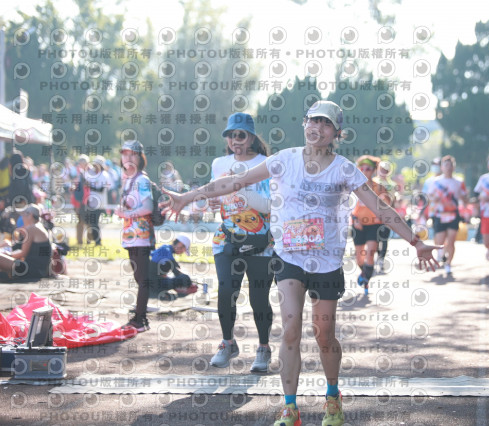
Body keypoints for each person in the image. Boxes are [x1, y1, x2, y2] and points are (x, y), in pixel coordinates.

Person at [160, 100, 440, 426]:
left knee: (324, 335)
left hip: (326, 262)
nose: (317, 127)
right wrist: (187, 197)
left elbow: (380, 207)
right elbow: (234, 183)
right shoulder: (284, 160)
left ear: (337, 132)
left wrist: (416, 242)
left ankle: (332, 398)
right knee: (290, 330)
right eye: (313, 120)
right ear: (304, 123)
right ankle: (290, 409)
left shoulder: (343, 168)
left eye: (325, 123)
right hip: (289, 257)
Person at [206, 112, 276, 374]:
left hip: (261, 241)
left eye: (241, 135)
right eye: (230, 135)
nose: (235, 140)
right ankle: (227, 343)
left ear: (252, 137)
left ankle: (263, 348)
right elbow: (213, 194)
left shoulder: (267, 164)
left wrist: (242, 190)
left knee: (259, 298)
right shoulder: (219, 163)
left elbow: (270, 205)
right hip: (227, 238)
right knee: (226, 290)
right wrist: (212, 200)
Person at [115, 140, 155, 332]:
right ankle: (140, 317)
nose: (128, 158)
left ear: (140, 158)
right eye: (125, 154)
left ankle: (141, 319)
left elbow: (148, 207)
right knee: (139, 278)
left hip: (141, 236)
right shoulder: (129, 179)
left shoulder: (141, 180)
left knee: (142, 278)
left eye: (133, 154)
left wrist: (127, 214)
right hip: (132, 235)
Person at [351, 155, 390, 294]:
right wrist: (354, 219)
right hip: (358, 225)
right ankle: (364, 273)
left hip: (374, 225)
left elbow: (387, 205)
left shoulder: (379, 187)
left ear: (373, 170)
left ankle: (366, 280)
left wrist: (382, 212)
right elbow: (348, 207)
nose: (364, 171)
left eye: (367, 168)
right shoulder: (353, 187)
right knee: (359, 259)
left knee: (371, 252)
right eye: (361, 168)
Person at [427, 155, 467, 277]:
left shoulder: (459, 182)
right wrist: (435, 199)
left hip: (453, 214)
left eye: (450, 165)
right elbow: (429, 196)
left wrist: (464, 201)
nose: (448, 168)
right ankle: (441, 255)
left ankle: (448, 264)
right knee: (440, 241)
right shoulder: (436, 182)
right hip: (439, 215)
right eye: (446, 165)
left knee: (451, 240)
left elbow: (465, 198)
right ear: (442, 167)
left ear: (453, 167)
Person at [0, 204, 51, 281]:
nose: (22, 217)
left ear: (30, 215)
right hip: (39, 270)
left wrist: (8, 255)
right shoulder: (39, 227)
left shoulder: (31, 228)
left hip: (30, 269)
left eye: (24, 214)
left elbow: (23, 253)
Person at [373, 160, 395, 274]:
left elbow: (393, 200)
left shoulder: (391, 185)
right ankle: (377, 256)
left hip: (387, 215)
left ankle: (381, 259)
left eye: (386, 170)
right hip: (374, 215)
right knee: (375, 238)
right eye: (382, 169)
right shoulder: (373, 182)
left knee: (384, 238)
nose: (383, 172)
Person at [84, 155, 111, 246]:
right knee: (92, 222)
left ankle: (98, 241)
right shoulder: (93, 174)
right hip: (92, 202)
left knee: (94, 222)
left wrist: (90, 186)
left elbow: (102, 189)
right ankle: (95, 240)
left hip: (100, 203)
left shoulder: (104, 175)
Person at [71, 155, 89, 245]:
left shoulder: (88, 173)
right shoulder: (78, 173)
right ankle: (80, 240)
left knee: (88, 221)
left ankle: (88, 240)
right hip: (79, 201)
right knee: (81, 221)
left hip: (86, 201)